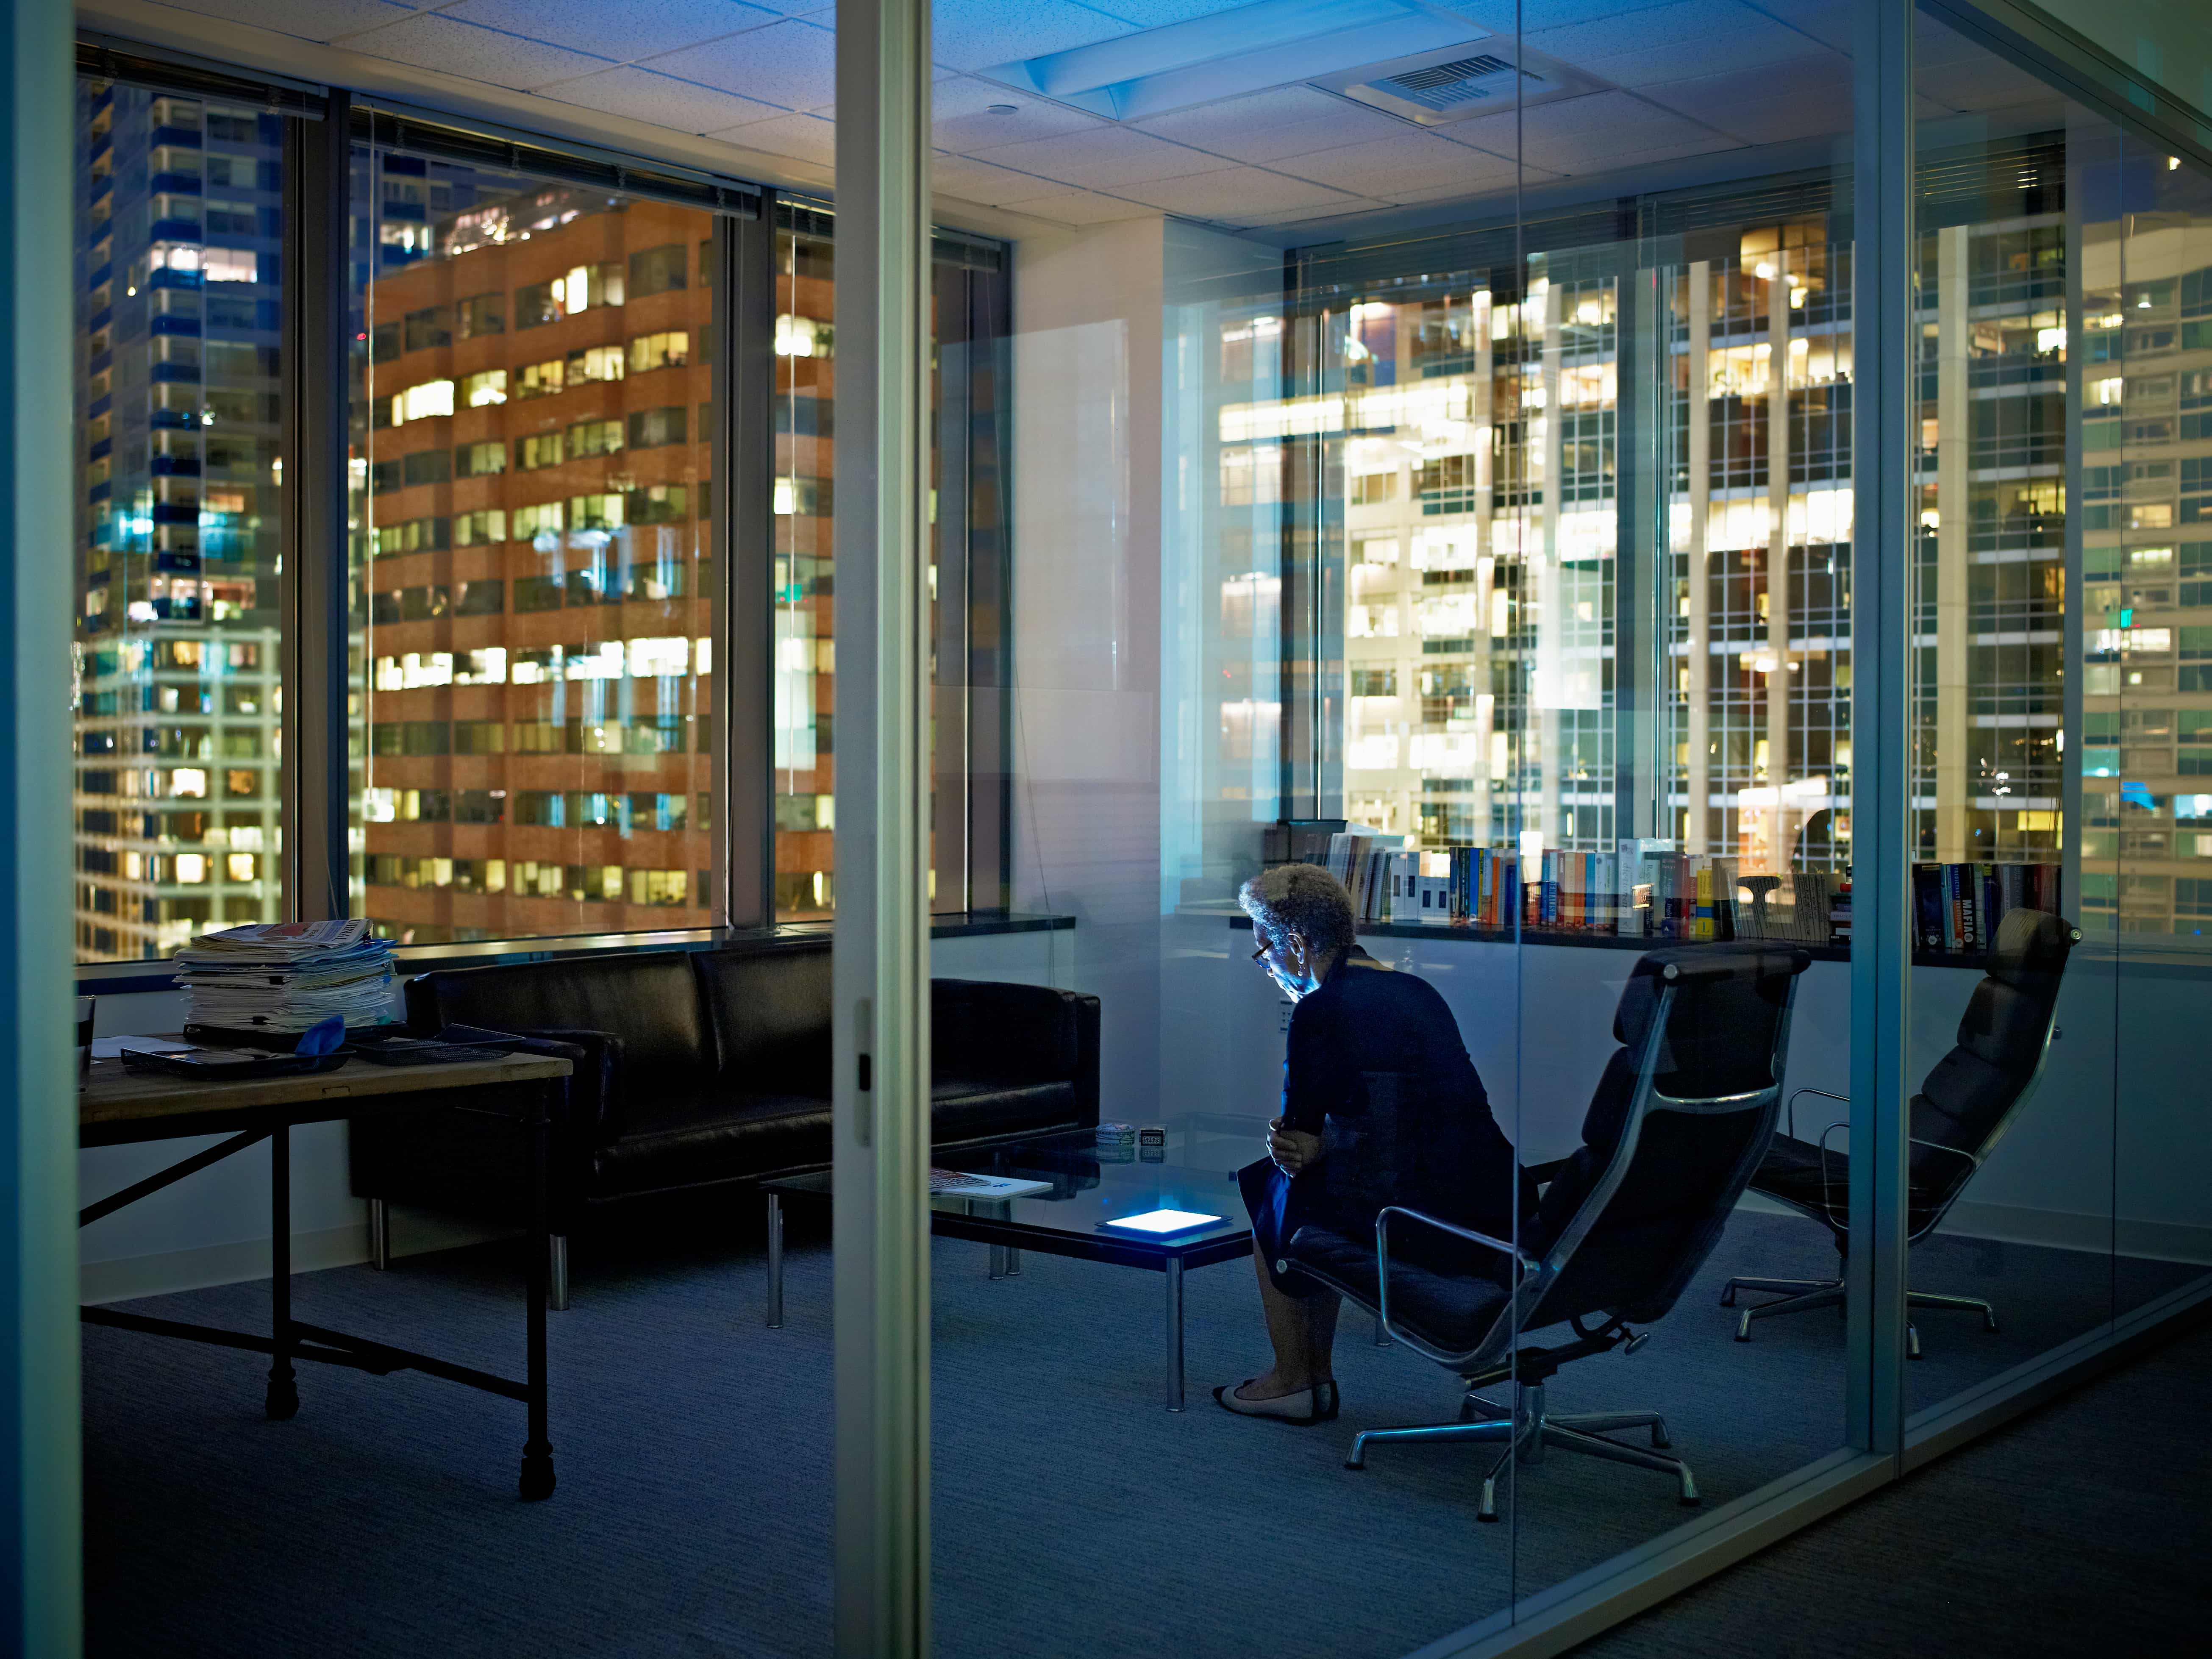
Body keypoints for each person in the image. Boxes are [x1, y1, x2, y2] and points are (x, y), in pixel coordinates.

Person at [1215, 862, 1536, 1425]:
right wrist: (1324, 1145)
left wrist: (1307, 1147)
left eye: (1265, 954)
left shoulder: (1320, 1010)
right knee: (1307, 1183)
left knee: (1272, 1187)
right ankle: (1311, 1379)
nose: (1267, 969)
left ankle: (1295, 1380)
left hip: (1421, 1225)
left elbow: (1295, 1144)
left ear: (1297, 945)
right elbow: (1416, 1120)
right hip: (1495, 1213)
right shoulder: (1417, 991)